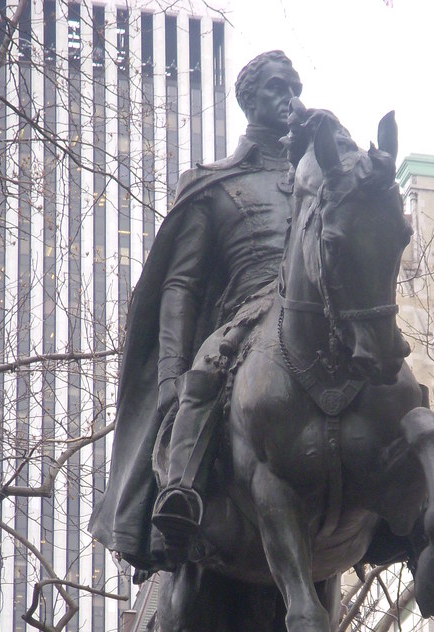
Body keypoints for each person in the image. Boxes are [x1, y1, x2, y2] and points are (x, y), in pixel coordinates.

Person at [89, 51, 302, 570]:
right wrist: (169, 377)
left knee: (389, 364)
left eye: (294, 86)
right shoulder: (213, 183)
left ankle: (416, 505)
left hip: (317, 312)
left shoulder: (317, 176)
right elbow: (180, 285)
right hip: (245, 319)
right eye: (277, 87)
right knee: (208, 374)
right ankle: (178, 491)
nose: (290, 97)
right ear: (250, 98)